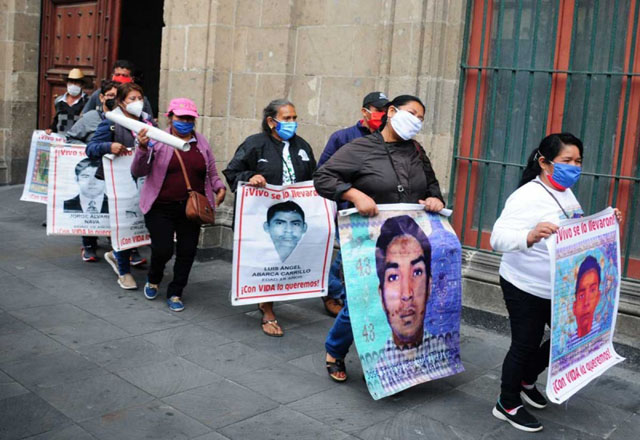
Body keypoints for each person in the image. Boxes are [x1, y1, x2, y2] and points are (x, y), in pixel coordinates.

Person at [490, 133, 623, 433]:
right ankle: (507, 402)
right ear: (544, 162)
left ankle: (527, 379)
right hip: (524, 285)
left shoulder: (566, 193)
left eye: (578, 161)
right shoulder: (526, 196)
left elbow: (574, 231)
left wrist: (607, 223)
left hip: (561, 288)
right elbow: (497, 238)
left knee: (574, 335)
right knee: (525, 343)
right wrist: (530, 235)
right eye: (567, 161)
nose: (574, 167)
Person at [313, 94, 445, 382]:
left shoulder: (417, 151)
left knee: (402, 302)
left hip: (408, 242)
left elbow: (432, 186)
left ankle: (391, 357)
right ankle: (335, 350)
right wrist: (353, 194)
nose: (417, 121)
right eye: (412, 114)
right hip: (369, 239)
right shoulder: (360, 147)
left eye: (421, 118)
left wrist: (435, 199)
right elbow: (322, 178)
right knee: (361, 302)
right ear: (392, 112)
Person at [223, 98, 317, 337]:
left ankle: (269, 298)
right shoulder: (255, 144)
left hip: (292, 216)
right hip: (261, 217)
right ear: (271, 122)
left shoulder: (302, 147)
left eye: (294, 118)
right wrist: (250, 177)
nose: (292, 122)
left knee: (282, 262)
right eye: (287, 118)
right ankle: (267, 309)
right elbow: (232, 171)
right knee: (267, 260)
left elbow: (314, 177)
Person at [131, 98, 226, 312]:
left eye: (190, 118)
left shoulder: (201, 142)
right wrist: (143, 149)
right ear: (170, 118)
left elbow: (210, 170)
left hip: (191, 209)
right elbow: (138, 171)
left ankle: (176, 291)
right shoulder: (157, 139)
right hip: (160, 207)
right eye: (181, 118)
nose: (185, 122)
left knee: (187, 251)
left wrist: (218, 186)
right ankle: (154, 278)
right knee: (162, 249)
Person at [318, 91, 390, 317]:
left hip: (378, 210)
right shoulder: (342, 137)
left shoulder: (389, 138)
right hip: (348, 209)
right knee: (347, 254)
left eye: (386, 111)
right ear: (365, 112)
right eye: (379, 111)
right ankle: (332, 291)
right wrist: (348, 194)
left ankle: (351, 296)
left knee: (364, 255)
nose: (383, 115)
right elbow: (323, 172)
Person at [87, 82, 156, 290]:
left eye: (140, 98)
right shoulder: (111, 122)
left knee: (140, 224)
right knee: (123, 226)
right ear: (121, 102)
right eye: (132, 99)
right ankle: (124, 271)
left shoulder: (148, 122)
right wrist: (108, 146)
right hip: (119, 184)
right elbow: (90, 149)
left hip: (143, 182)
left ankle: (118, 255)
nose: (137, 103)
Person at [373, 215, 437, 393]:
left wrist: (438, 201)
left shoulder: (443, 351)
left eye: (417, 273)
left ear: (429, 286)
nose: (407, 294)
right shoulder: (376, 363)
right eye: (393, 277)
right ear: (381, 295)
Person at [67, 79, 118, 262]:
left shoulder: (126, 119)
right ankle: (89, 244)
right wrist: (88, 149)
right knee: (91, 204)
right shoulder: (90, 118)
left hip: (116, 171)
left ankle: (118, 243)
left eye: (117, 96)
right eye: (110, 95)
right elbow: (70, 138)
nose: (113, 99)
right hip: (92, 170)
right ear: (102, 97)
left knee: (113, 206)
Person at [82, 60, 154, 116]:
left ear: (132, 79)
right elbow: (84, 115)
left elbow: (149, 121)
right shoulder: (99, 93)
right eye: (117, 74)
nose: (120, 78)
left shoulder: (139, 98)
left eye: (124, 75)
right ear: (112, 76)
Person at [46, 68, 88, 135]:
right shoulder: (59, 101)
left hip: (77, 139)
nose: (73, 85)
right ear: (67, 83)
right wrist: (51, 129)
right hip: (60, 138)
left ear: (82, 85)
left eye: (76, 82)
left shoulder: (87, 101)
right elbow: (56, 120)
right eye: (71, 82)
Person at [573, 255, 602, 338]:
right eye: (581, 296)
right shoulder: (567, 344)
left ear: (598, 297)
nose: (586, 303)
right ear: (574, 307)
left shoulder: (601, 337)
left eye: (592, 291)